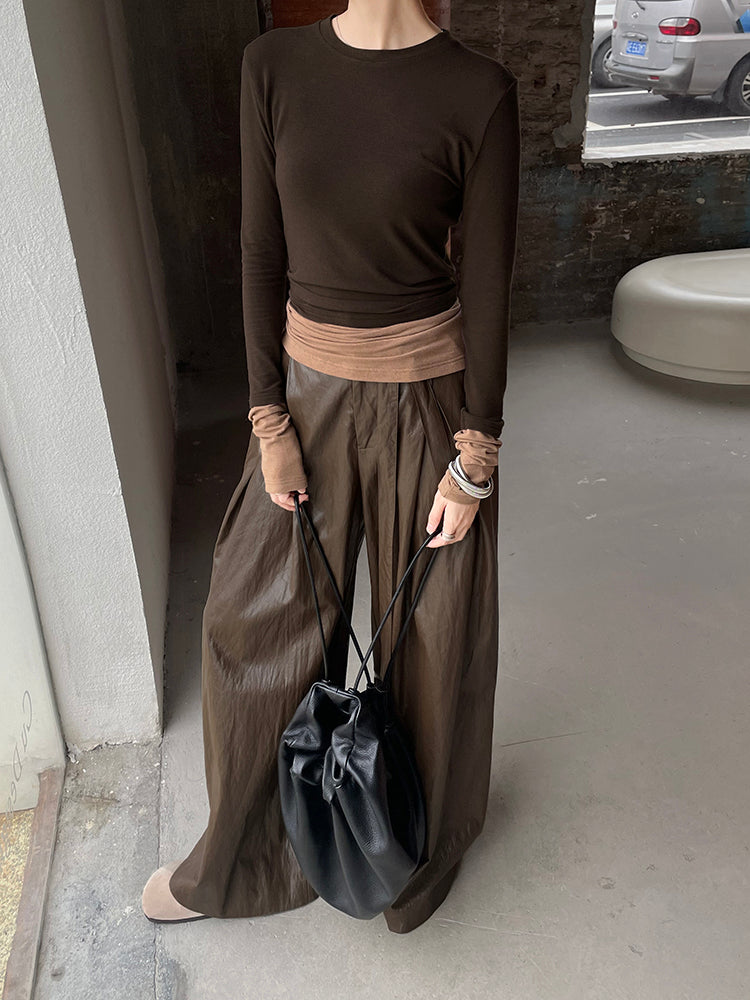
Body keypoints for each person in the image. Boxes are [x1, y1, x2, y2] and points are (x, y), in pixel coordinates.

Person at [141, 0, 521, 935]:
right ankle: (245, 861)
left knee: (434, 642)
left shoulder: (479, 91)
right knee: (251, 623)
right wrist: (268, 418)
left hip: (429, 404)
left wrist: (475, 455)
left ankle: (411, 861)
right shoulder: (273, 67)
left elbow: (488, 282)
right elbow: (259, 252)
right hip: (306, 402)